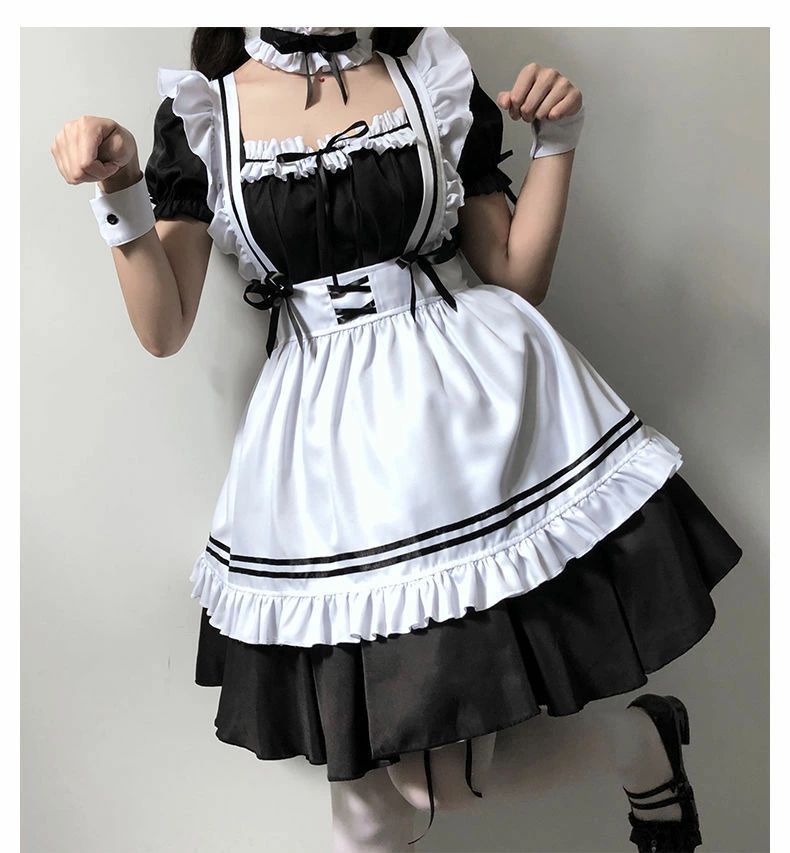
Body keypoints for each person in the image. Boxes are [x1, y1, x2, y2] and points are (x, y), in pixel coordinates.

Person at [51, 26, 742, 853]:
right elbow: (164, 329)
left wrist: (558, 140)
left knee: (428, 787)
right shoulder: (206, 111)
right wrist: (120, 185)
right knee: (372, 810)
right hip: (319, 452)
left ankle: (640, 744)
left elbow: (515, 274)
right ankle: (644, 742)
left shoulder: (429, 77)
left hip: (458, 426)